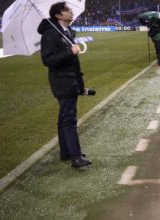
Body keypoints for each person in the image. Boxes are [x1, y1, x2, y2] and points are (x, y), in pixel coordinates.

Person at [37, 2, 93, 168]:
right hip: (62, 81)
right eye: (67, 10)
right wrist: (70, 51)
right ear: (58, 15)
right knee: (69, 119)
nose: (70, 12)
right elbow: (47, 60)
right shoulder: (50, 34)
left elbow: (74, 64)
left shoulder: (66, 32)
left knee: (64, 117)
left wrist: (81, 86)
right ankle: (75, 157)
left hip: (70, 80)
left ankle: (66, 152)